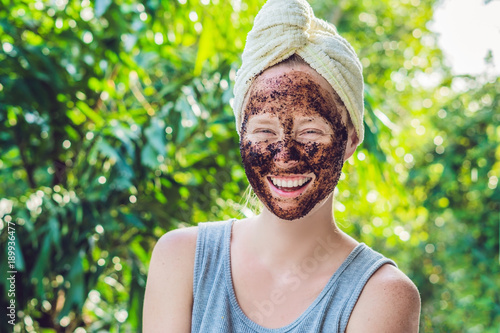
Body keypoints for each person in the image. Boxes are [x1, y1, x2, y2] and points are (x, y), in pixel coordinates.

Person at [143, 0, 421, 332]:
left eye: (310, 132)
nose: (285, 155)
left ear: (350, 141)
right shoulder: (181, 260)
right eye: (264, 132)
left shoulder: (382, 294)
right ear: (242, 137)